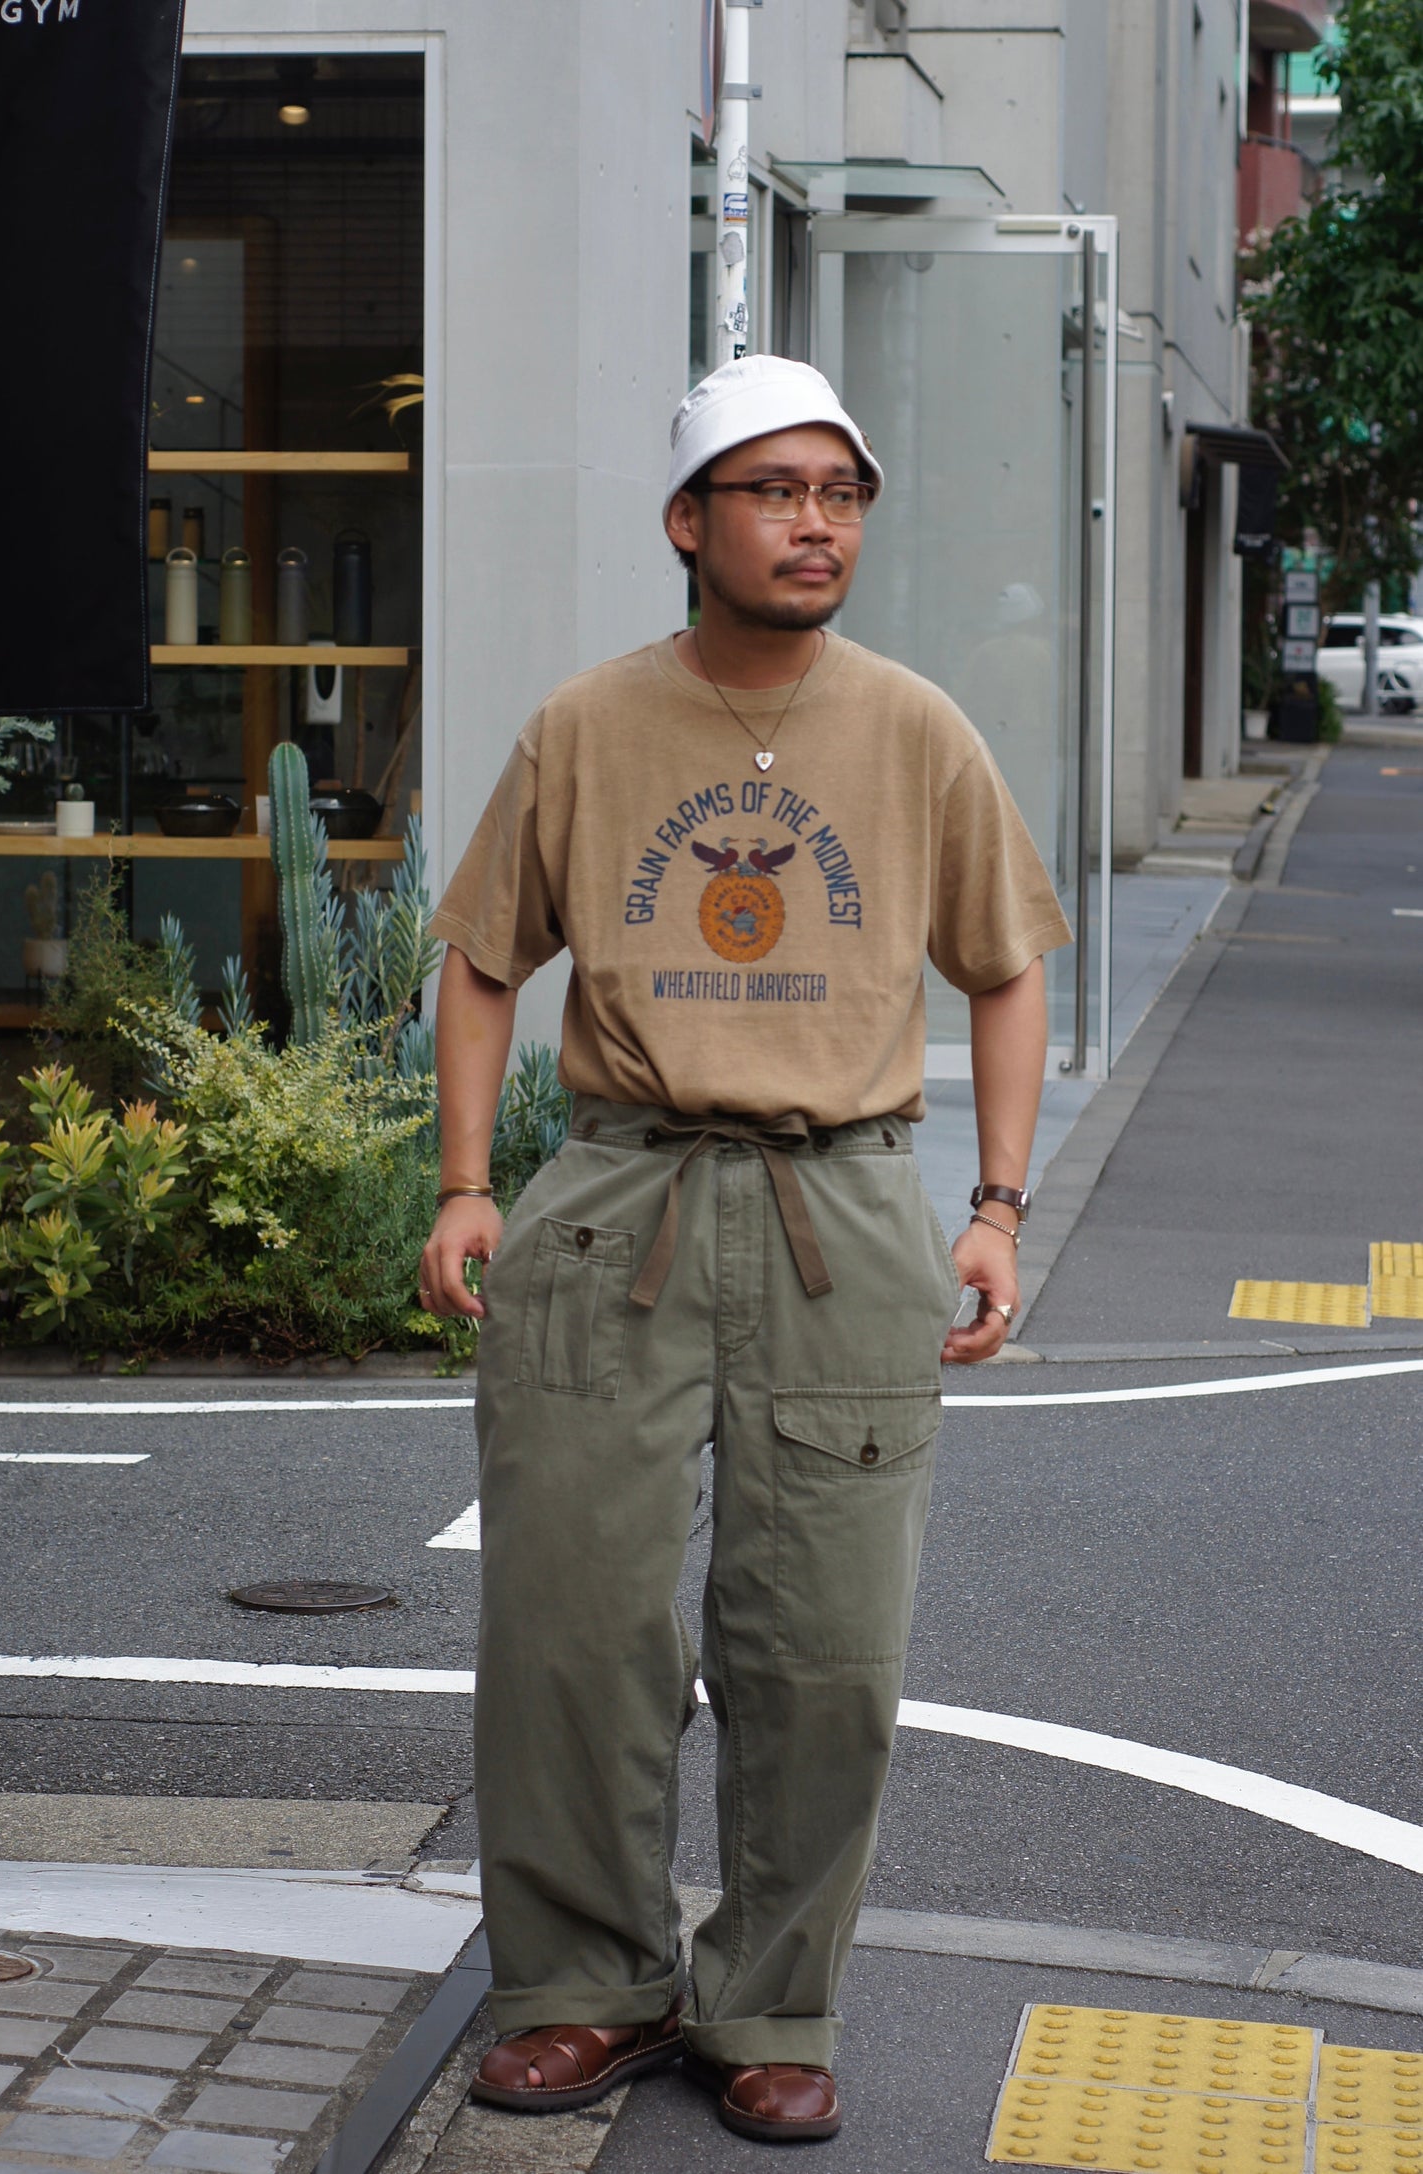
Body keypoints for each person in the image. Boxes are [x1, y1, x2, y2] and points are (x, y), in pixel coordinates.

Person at [418, 355, 1071, 2145]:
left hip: (840, 1207)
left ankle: (773, 2001)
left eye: (838, 493)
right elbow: (484, 958)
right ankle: (584, 1985)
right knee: (570, 1626)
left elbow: (1006, 965)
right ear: (686, 521)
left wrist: (995, 1206)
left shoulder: (916, 729)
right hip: (615, 1196)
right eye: (773, 490)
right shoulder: (585, 726)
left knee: (825, 1645)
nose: (813, 523)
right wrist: (468, 1182)